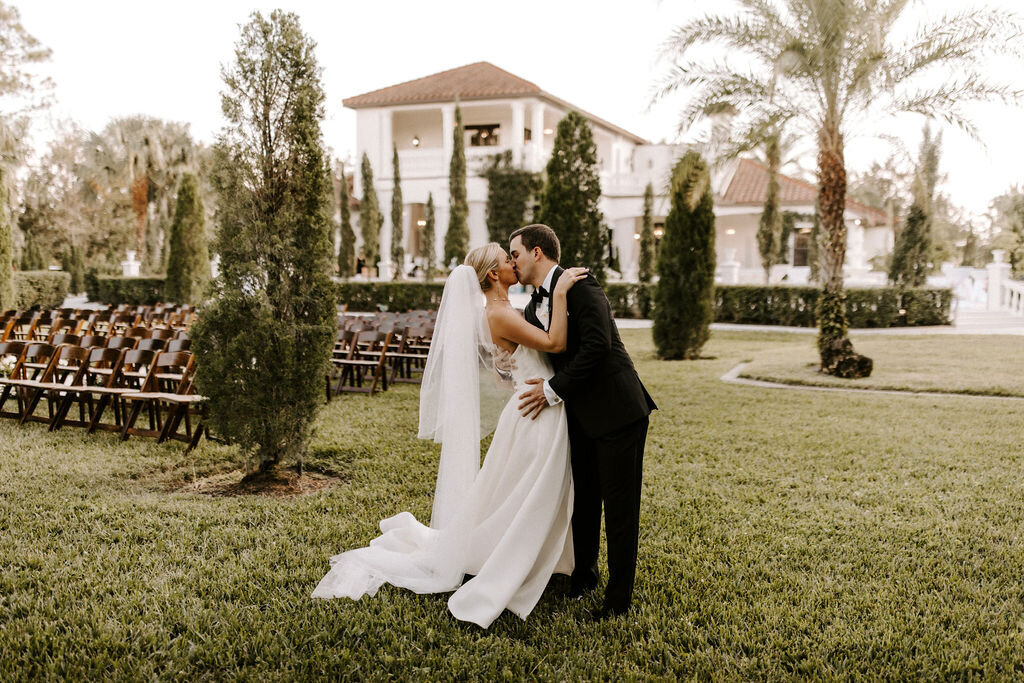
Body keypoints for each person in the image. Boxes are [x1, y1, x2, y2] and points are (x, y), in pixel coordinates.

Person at [312, 243, 589, 629]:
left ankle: (545, 559)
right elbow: (555, 344)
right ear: (493, 274)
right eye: (507, 259)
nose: (514, 263)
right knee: (532, 493)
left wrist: (517, 370)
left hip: (534, 405)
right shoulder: (498, 313)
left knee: (521, 493)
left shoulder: (504, 312)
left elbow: (503, 374)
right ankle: (517, 560)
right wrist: (560, 293)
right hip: (536, 411)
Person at [510, 224, 656, 619]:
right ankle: (584, 577)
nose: (513, 262)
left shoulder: (582, 287)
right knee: (584, 501)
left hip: (617, 411)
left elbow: (597, 346)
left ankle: (618, 598)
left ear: (537, 253)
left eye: (517, 254)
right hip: (577, 414)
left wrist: (552, 389)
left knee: (621, 508)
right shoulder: (532, 305)